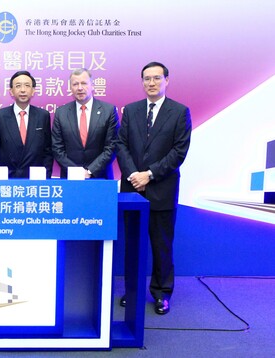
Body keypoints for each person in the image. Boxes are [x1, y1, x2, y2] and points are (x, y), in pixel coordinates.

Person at [116, 61, 192, 315]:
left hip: (162, 189)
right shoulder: (131, 110)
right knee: (133, 245)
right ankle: (133, 291)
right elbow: (121, 145)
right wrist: (133, 175)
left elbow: (178, 152)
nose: (151, 83)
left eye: (157, 78)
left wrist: (149, 174)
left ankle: (161, 293)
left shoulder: (180, 112)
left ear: (166, 81)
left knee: (161, 246)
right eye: (147, 79)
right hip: (132, 189)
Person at [52, 68, 118, 179]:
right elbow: (57, 148)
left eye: (84, 83)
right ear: (71, 88)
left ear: (92, 85)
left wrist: (91, 170)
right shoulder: (61, 113)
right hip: (70, 179)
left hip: (100, 178)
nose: (80, 88)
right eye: (75, 84)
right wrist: (76, 172)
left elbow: (112, 146)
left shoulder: (109, 111)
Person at [0, 70, 52, 178]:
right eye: (18, 86)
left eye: (27, 86)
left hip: (35, 179)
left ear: (33, 91)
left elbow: (47, 151)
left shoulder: (43, 116)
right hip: (7, 179)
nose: (23, 90)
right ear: (11, 91)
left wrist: (45, 176)